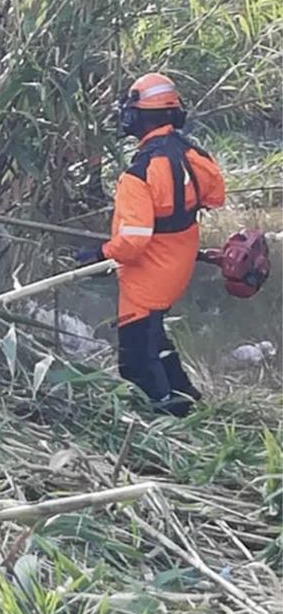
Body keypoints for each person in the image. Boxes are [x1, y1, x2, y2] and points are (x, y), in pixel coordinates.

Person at [76, 73, 226, 416]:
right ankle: (186, 397)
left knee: (136, 363)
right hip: (179, 265)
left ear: (137, 117)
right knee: (153, 338)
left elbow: (131, 244)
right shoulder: (193, 153)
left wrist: (99, 255)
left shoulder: (138, 174)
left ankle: (167, 422)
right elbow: (215, 196)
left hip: (146, 278)